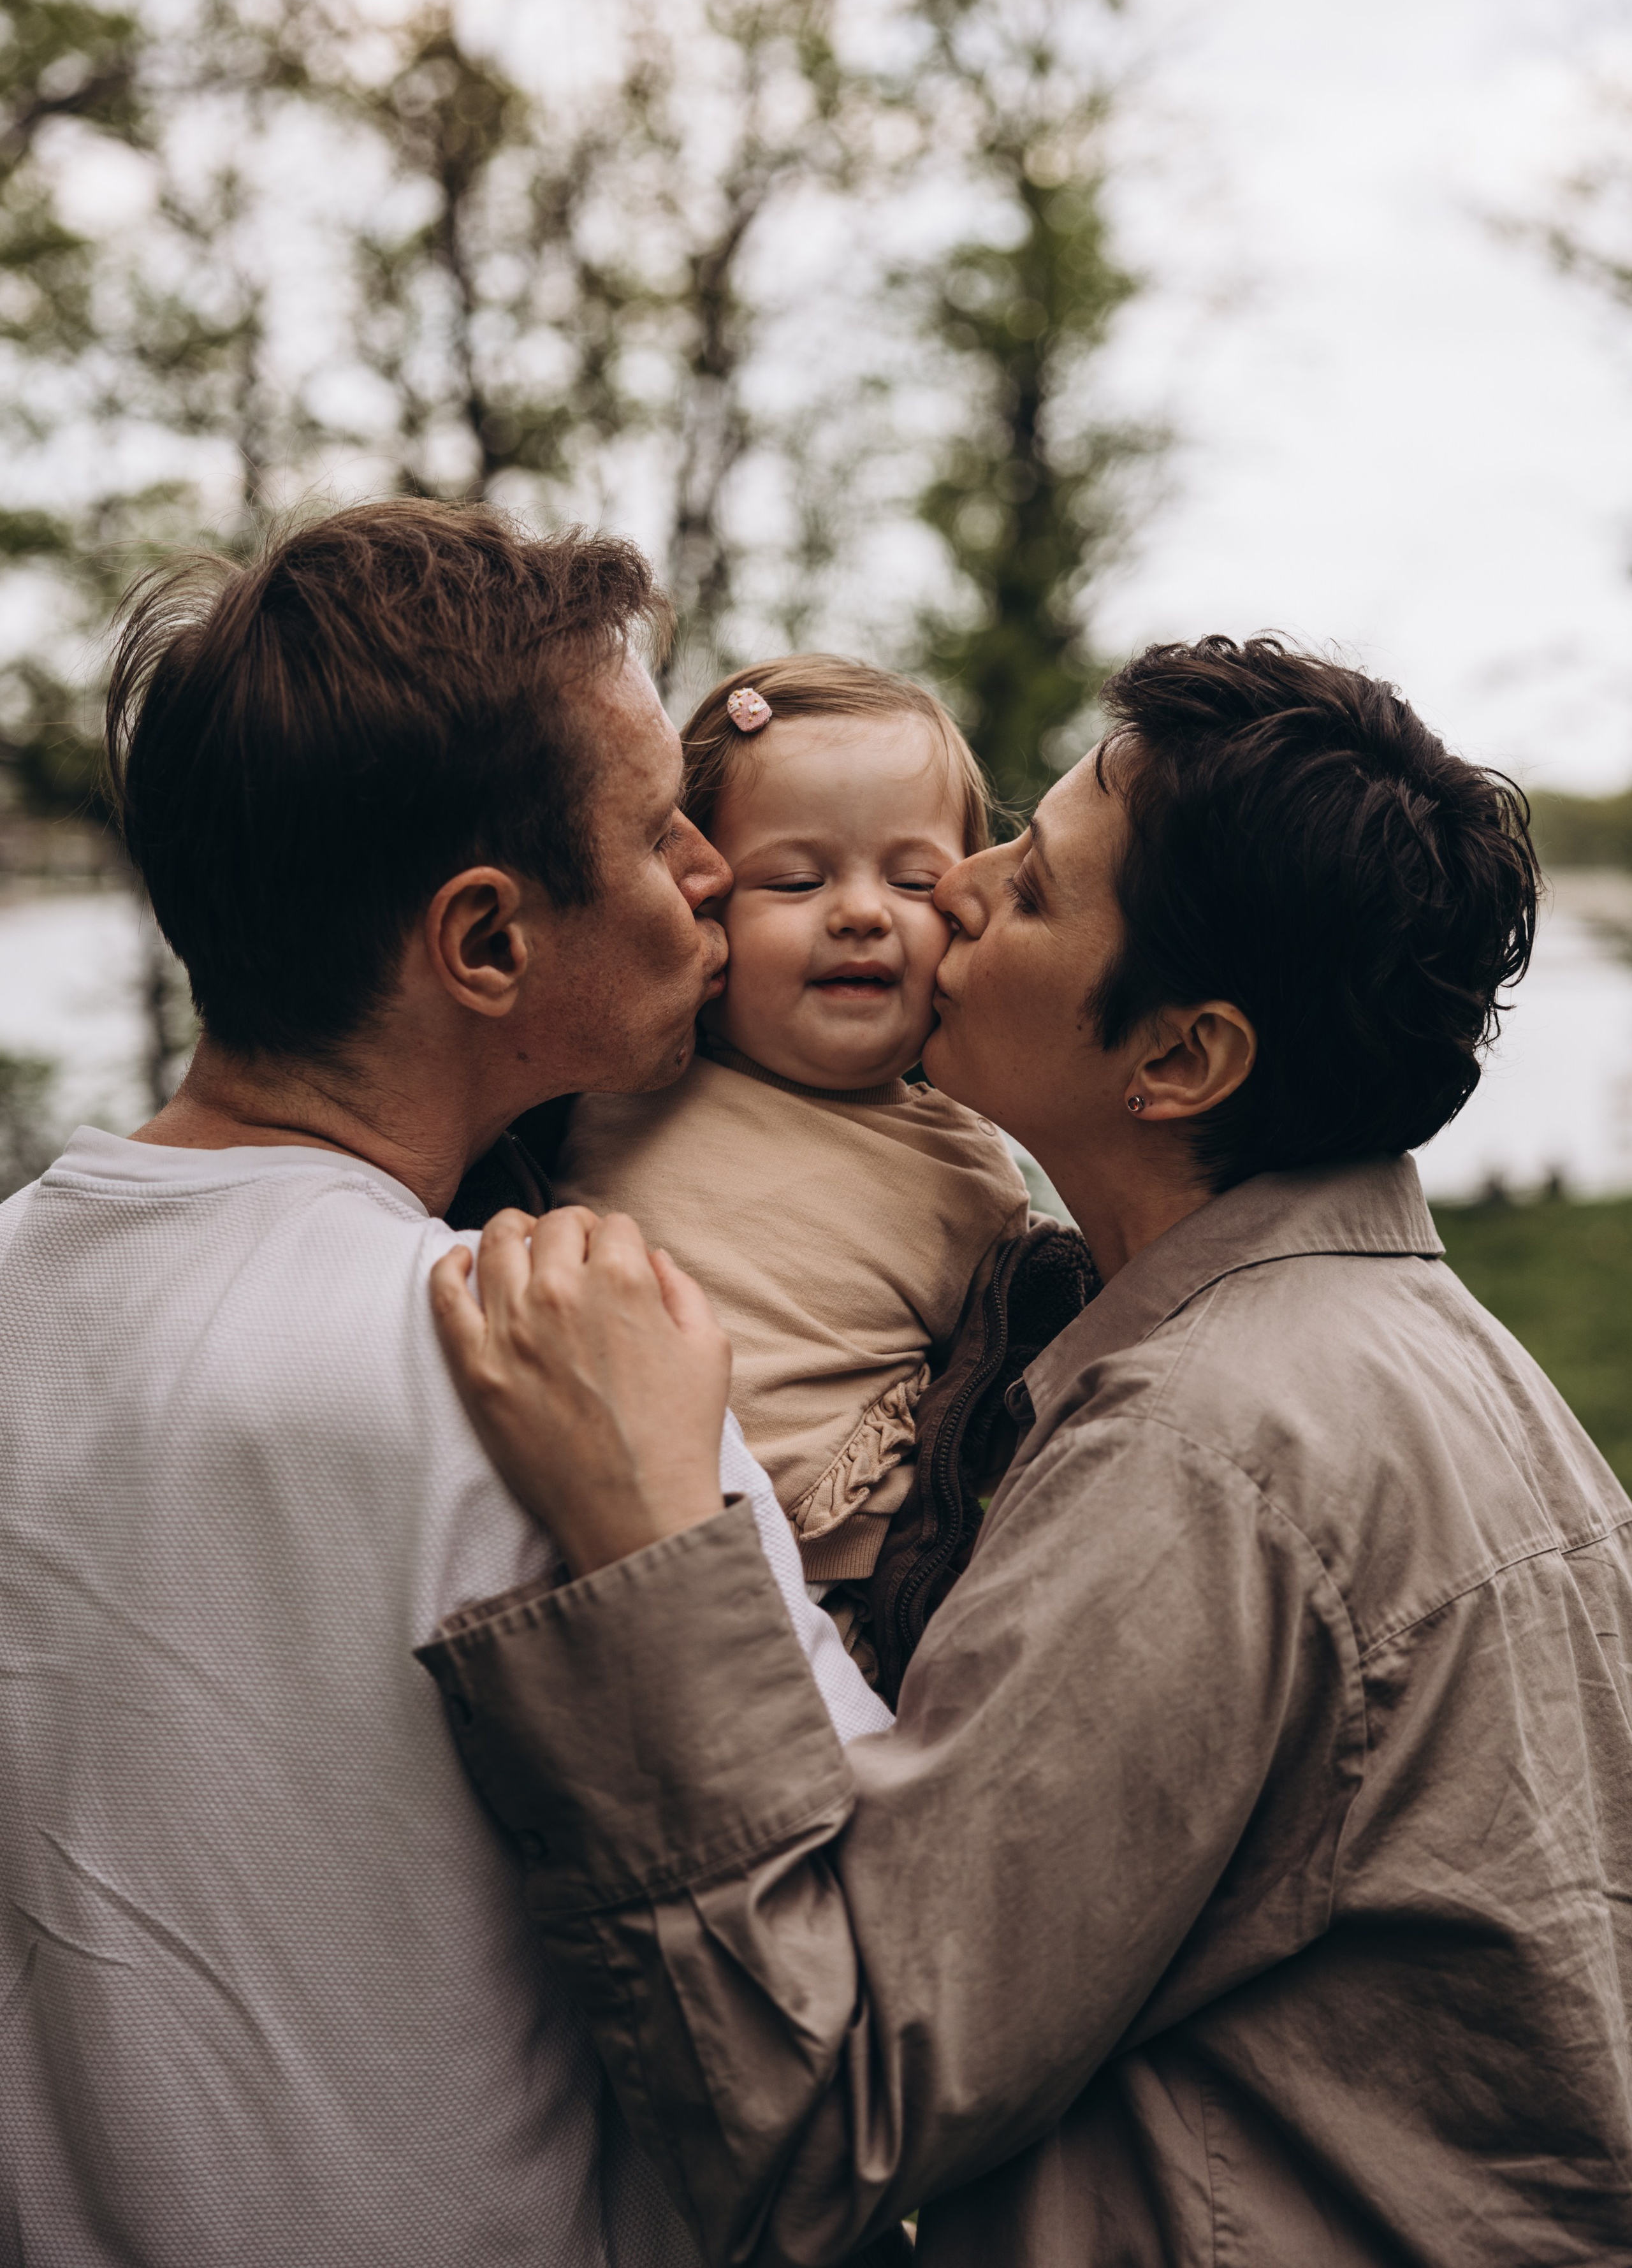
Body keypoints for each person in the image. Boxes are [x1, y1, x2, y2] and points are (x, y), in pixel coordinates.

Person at [419, 636, 1632, 2267]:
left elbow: (826, 2114)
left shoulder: (1212, 1455)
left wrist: (653, 1545)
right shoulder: (1427, 1360)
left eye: (1033, 885)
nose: (953, 892)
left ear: (1180, 1061)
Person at [0, 500, 889, 2267]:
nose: (712, 871)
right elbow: (858, 1990)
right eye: (657, 834)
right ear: (486, 945)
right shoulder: (552, 1356)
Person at [555, 655, 1033, 1672]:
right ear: (700, 908)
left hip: (830, 1601)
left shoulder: (972, 1172)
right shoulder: (619, 1087)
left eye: (914, 882)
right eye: (798, 880)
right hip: (566, 1542)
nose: (861, 911)